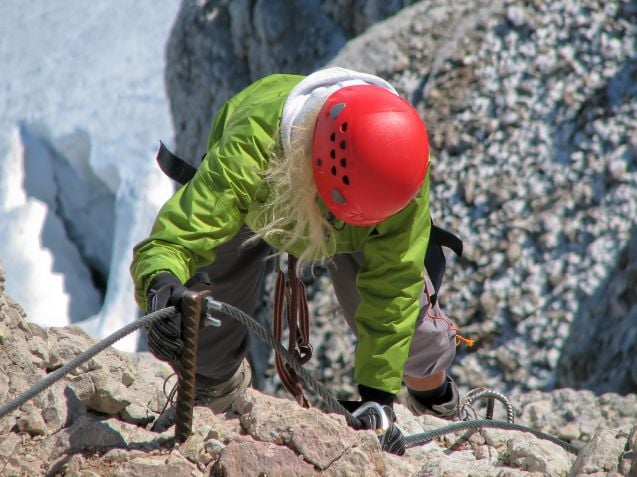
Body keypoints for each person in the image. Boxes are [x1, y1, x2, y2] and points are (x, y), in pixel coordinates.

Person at [130, 67, 462, 443]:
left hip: (355, 222)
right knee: (197, 305)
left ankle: (434, 397)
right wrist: (161, 284)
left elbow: (394, 287)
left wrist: (378, 398)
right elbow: (179, 238)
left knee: (411, 328)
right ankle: (211, 387)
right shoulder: (252, 146)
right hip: (259, 200)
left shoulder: (400, 169)